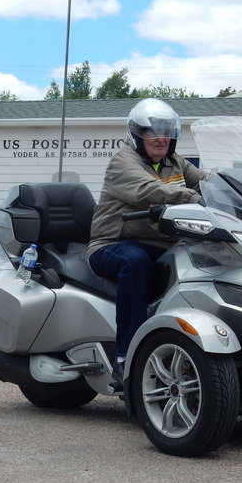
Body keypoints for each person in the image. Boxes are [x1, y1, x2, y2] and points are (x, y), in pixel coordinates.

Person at [87, 98, 207, 379]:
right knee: (136, 261)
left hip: (163, 245)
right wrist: (197, 198)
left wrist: (237, 190)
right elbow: (149, 192)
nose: (161, 138)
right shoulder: (122, 161)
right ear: (137, 134)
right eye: (153, 132)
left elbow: (205, 180)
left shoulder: (174, 161)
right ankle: (127, 356)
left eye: (166, 131)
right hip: (112, 245)